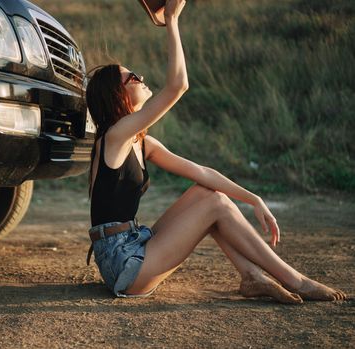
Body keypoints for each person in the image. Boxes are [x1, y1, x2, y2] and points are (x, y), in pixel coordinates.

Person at [85, 0, 347, 303]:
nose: (140, 78)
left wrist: (254, 199)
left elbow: (203, 173)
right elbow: (178, 86)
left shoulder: (142, 142)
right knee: (214, 207)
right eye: (131, 78)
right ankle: (296, 280)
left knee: (208, 195)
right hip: (124, 264)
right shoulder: (115, 136)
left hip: (134, 245)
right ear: (117, 95)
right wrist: (172, 20)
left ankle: (251, 276)